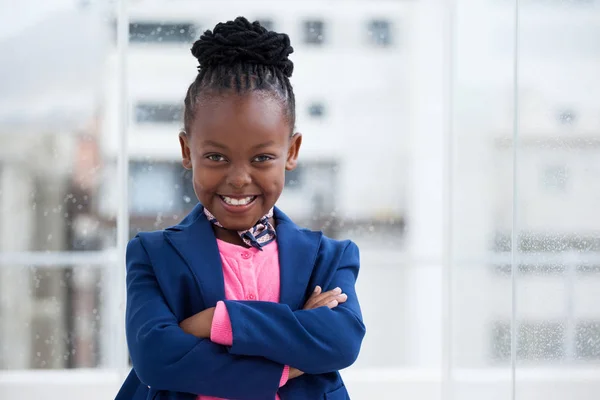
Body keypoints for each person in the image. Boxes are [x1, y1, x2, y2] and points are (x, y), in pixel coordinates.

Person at [115, 17, 366, 400]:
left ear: (291, 153)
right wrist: (290, 358)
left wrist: (217, 321)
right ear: (187, 152)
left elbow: (340, 342)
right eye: (216, 156)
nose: (238, 179)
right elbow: (155, 357)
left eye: (262, 157)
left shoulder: (329, 257)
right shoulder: (153, 255)